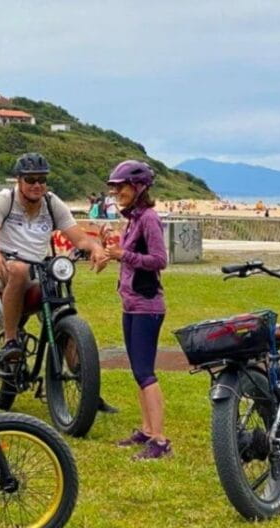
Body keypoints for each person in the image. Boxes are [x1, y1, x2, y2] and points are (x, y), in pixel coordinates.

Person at [0, 152, 118, 413]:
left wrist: (96, 249)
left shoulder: (52, 203)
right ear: (19, 180)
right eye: (30, 179)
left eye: (42, 180)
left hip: (40, 271)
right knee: (19, 270)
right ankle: (10, 342)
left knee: (59, 307)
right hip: (2, 266)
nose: (37, 185)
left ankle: (85, 384)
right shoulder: (4, 200)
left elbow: (79, 238)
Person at [104, 160, 171, 460]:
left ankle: (160, 440)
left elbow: (159, 259)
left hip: (147, 305)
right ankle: (146, 430)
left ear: (139, 187)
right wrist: (112, 255)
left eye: (122, 187)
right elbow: (129, 256)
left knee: (146, 372)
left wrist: (124, 254)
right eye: (115, 187)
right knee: (137, 371)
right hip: (130, 304)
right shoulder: (133, 219)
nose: (117, 192)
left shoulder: (149, 219)